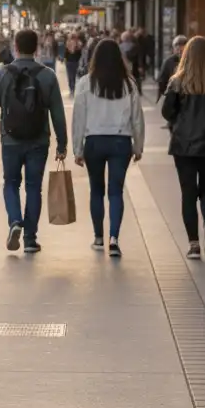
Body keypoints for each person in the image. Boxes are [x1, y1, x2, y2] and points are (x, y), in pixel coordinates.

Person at [0, 28, 68, 254]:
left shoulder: (1, 75)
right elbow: (57, 113)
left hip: (10, 139)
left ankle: (15, 222)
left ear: (15, 47)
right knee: (33, 188)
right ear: (37, 47)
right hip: (39, 140)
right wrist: (62, 143)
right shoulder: (48, 75)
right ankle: (30, 239)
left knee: (10, 183)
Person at [72, 39, 144, 258]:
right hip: (121, 142)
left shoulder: (85, 83)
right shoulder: (129, 83)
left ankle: (98, 237)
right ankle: (114, 238)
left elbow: (78, 118)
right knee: (116, 191)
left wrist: (77, 148)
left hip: (94, 142)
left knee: (96, 190)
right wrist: (138, 146)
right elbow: (137, 119)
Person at [161, 36, 205, 260]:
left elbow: (167, 112)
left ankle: (194, 245)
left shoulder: (177, 81)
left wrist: (179, 119)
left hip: (184, 146)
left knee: (188, 193)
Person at [157, 35, 188, 102]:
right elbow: (162, 81)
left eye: (182, 50)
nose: (180, 52)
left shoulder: (191, 60)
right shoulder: (168, 62)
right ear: (173, 49)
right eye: (177, 50)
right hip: (173, 97)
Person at [63, 32, 83, 98]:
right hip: (73, 62)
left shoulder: (69, 43)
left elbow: (66, 53)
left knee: (71, 76)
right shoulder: (78, 44)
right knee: (73, 77)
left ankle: (72, 90)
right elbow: (79, 54)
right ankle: (72, 89)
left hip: (70, 62)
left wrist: (65, 59)